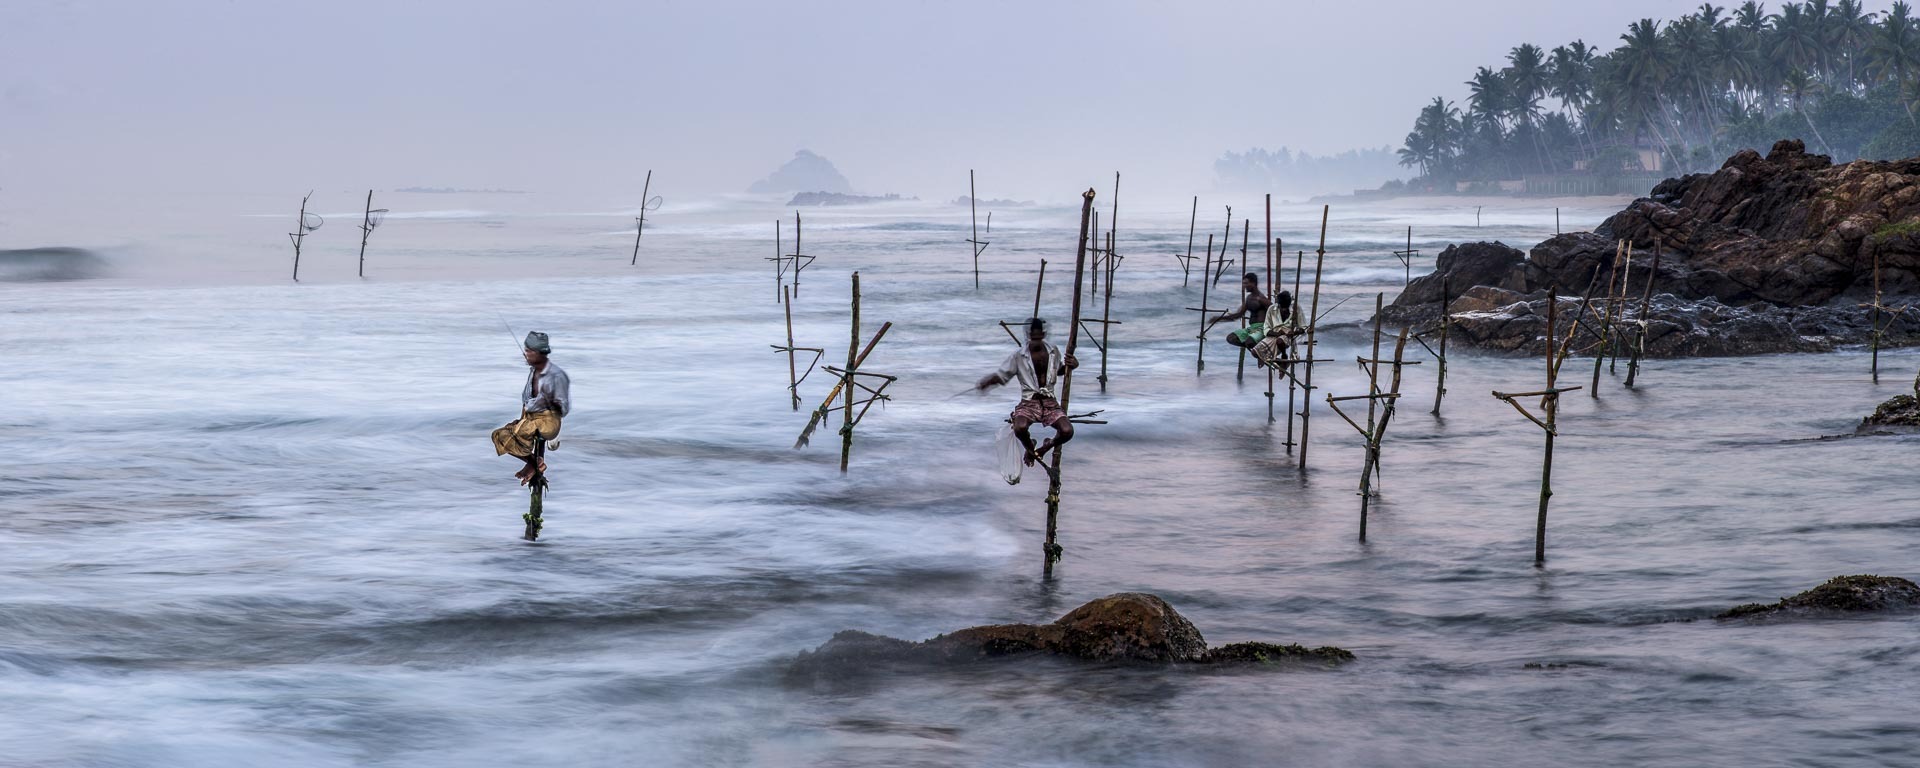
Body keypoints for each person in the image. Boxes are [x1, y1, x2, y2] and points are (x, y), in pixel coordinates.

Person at [977, 317, 1078, 466]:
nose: (1036, 341)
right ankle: (1030, 448)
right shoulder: (1019, 356)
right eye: (1033, 337)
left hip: (1050, 402)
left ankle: (1044, 448)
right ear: (1028, 336)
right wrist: (988, 382)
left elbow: (1060, 371)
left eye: (1039, 337)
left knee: (1067, 431)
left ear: (1043, 335)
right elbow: (1003, 375)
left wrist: (1073, 365)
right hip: (1029, 402)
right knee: (1020, 427)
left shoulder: (1053, 351)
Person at [492, 331, 571, 485]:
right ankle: (535, 463)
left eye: (529, 351)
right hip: (530, 418)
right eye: (526, 351)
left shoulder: (556, 375)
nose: (525, 354)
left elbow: (564, 408)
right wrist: (520, 421)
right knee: (499, 436)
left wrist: (548, 400)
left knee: (514, 434)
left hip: (548, 421)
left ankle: (534, 463)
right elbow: (526, 402)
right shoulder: (533, 372)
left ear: (540, 353)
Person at [1208, 272, 1273, 352]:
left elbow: (1274, 311)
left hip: (1261, 329)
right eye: (1243, 283)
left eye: (1246, 283)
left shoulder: (1261, 298)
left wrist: (1271, 330)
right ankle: (1257, 350)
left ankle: (1260, 350)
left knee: (1249, 342)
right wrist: (1218, 319)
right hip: (1251, 329)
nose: (1244, 286)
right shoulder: (1249, 298)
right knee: (1231, 338)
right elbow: (1238, 315)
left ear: (1253, 283)